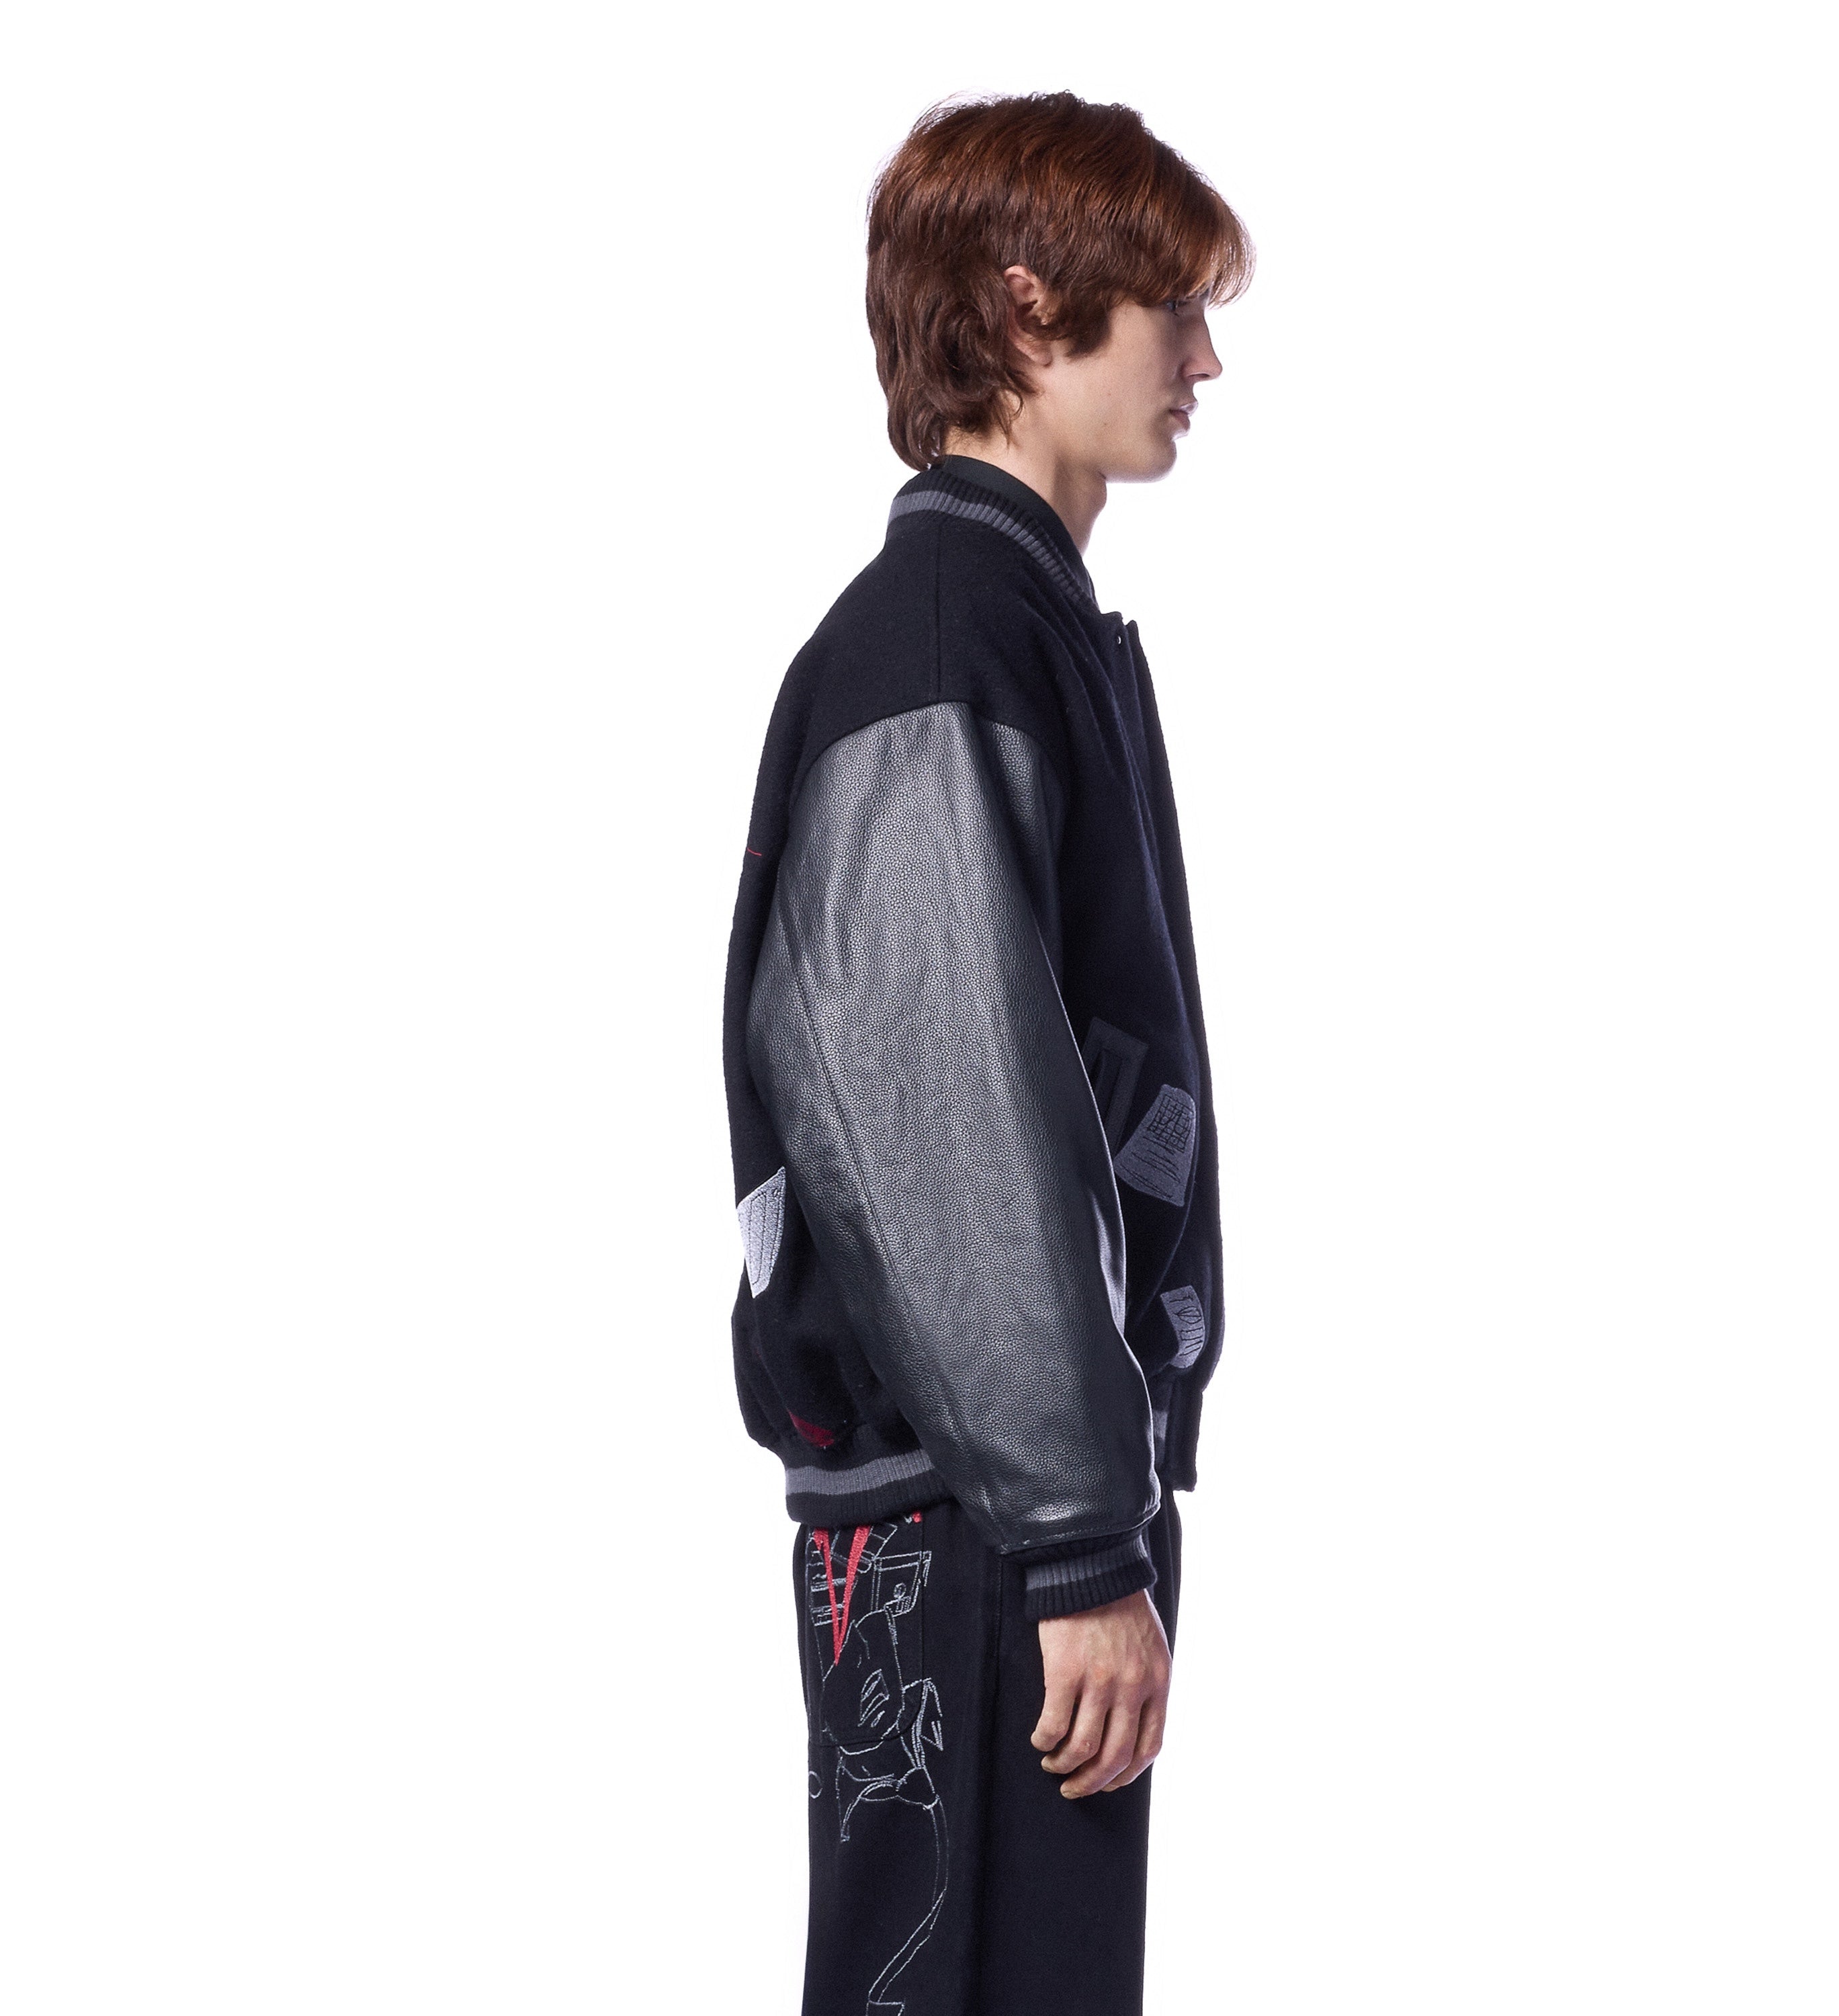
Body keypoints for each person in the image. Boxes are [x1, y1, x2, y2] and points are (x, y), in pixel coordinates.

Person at [718, 89, 1252, 2014]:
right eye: (1170, 308)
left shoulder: (1011, 630)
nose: (1202, 361)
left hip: (993, 1506)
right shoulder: (941, 639)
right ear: (1031, 306)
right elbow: (944, 1116)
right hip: (975, 1523)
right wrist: (1073, 1539)